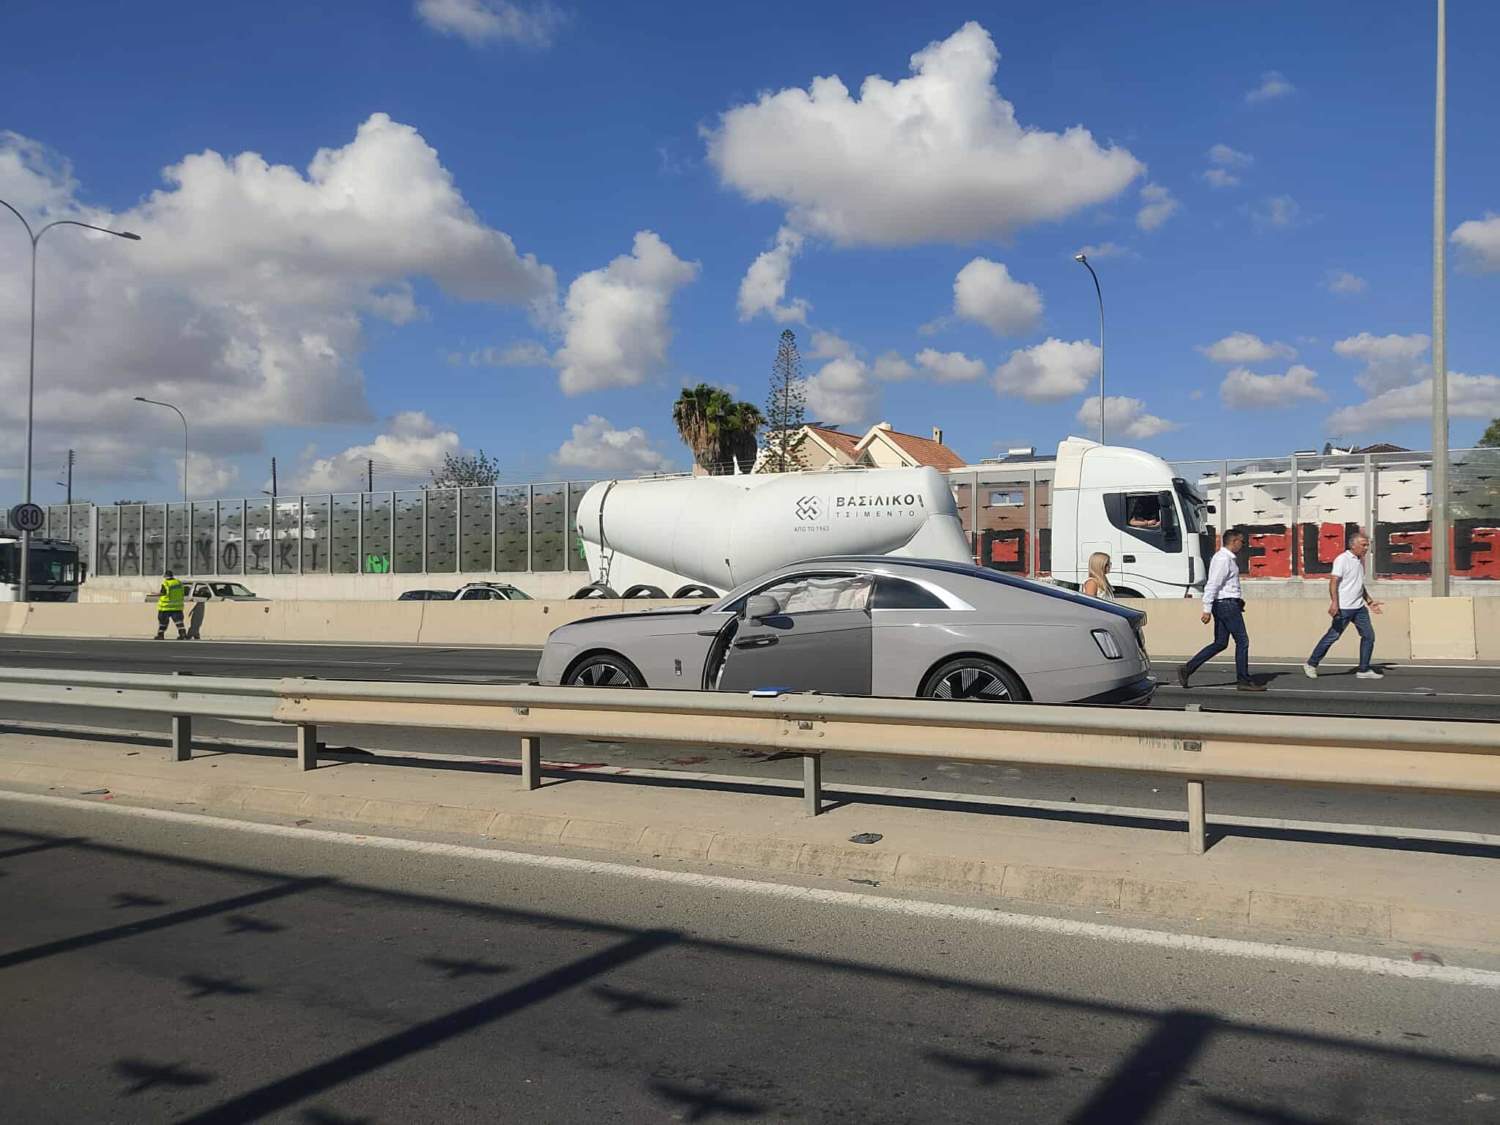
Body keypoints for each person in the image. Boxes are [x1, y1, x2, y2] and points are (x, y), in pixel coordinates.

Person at [1178, 529, 1265, 691]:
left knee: (1220, 643)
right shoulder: (1223, 559)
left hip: (1228, 603)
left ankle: (1188, 668)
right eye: (1241, 541)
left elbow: (1226, 586)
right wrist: (1206, 609)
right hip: (1226, 605)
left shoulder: (1226, 559)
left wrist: (1237, 599)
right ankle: (1243, 680)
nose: (1243, 545)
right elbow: (1213, 584)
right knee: (1242, 641)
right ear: (1233, 541)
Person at [1304, 532, 1383, 679]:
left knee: (1368, 636)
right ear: (1353, 545)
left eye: (1367, 545)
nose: (1366, 548)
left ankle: (1363, 670)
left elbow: (1358, 584)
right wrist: (1335, 603)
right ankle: (1311, 664)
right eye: (1363, 545)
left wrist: (1370, 601)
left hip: (1359, 608)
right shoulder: (1342, 559)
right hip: (1344, 608)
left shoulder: (1359, 561)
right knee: (1332, 636)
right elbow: (1333, 581)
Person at [154, 570, 188, 640]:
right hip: (177, 606)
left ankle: (160, 635)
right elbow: (182, 593)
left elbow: (163, 593)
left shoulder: (166, 583)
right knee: (179, 622)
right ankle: (183, 634)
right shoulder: (178, 582)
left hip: (166, 606)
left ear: (165, 576)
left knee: (163, 622)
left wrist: (156, 594)